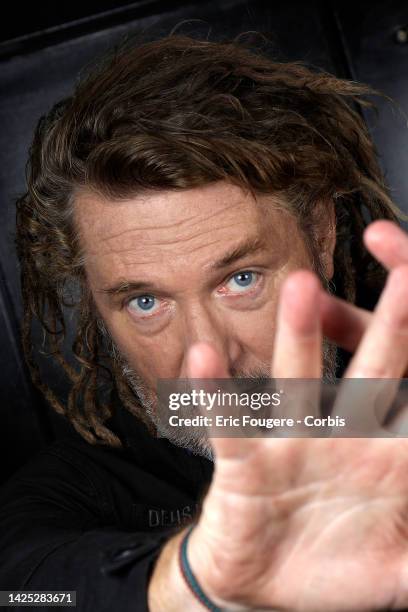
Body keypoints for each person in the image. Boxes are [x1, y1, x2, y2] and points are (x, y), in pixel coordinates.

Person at [1, 33, 408, 611]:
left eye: (241, 280)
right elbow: (20, 587)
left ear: (319, 234)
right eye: (145, 302)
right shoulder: (73, 490)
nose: (205, 359)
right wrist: (193, 584)